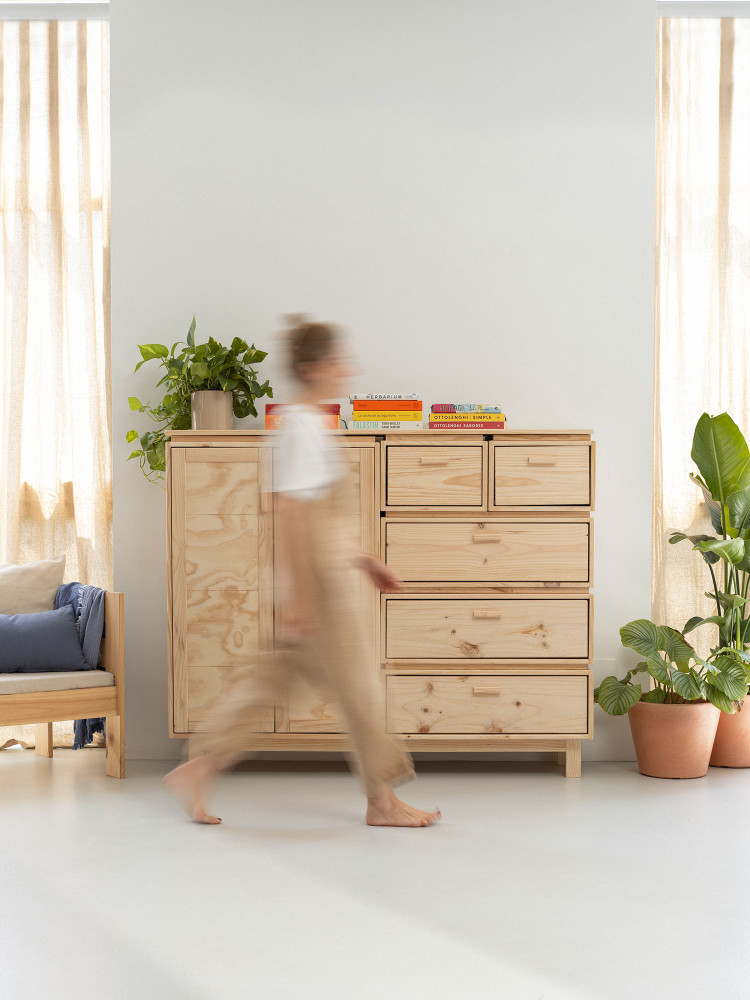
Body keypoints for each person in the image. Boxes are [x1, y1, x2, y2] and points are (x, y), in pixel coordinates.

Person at [165, 317, 441, 828]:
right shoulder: (301, 429)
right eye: (339, 360)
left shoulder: (303, 425)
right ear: (314, 367)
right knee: (362, 690)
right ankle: (382, 803)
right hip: (319, 586)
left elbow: (316, 518)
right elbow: (289, 513)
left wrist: (365, 560)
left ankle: (200, 768)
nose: (348, 369)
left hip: (318, 575)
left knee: (269, 682)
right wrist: (303, 598)